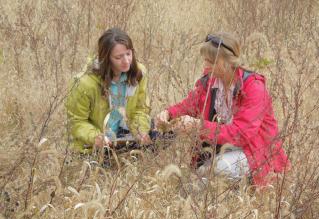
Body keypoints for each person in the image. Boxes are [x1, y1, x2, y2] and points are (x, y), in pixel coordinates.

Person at [155, 32, 290, 185]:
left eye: (211, 61)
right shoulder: (210, 82)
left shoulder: (253, 87)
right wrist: (168, 113)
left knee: (213, 170)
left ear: (228, 62)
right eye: (205, 60)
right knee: (199, 177)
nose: (206, 65)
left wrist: (198, 126)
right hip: (224, 148)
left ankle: (244, 186)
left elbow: (241, 134)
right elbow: (189, 105)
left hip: (254, 150)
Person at [66, 27, 152, 153]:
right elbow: (76, 122)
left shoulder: (139, 73)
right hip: (92, 147)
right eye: (118, 57)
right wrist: (97, 138)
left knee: (164, 133)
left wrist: (140, 131)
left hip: (126, 139)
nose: (126, 61)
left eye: (128, 54)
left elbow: (140, 109)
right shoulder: (83, 83)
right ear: (106, 59)